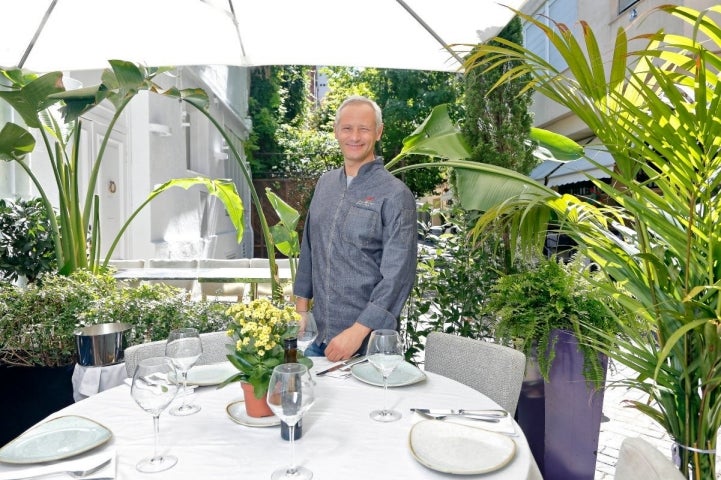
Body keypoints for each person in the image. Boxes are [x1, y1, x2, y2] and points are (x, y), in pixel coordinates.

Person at [293, 95, 417, 362]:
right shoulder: (325, 185)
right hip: (321, 342)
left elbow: (398, 276)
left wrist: (357, 333)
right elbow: (310, 248)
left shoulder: (395, 194)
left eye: (364, 128)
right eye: (347, 128)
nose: (355, 136)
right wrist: (301, 311)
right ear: (337, 131)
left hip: (371, 347)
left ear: (379, 132)